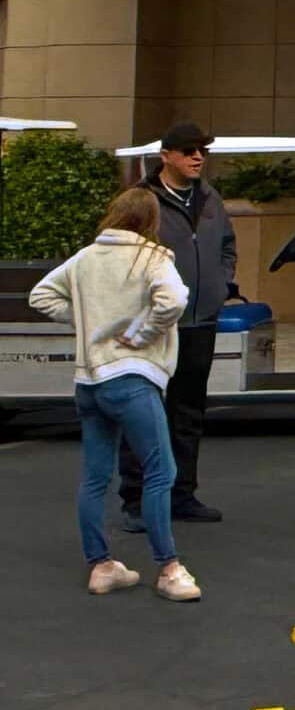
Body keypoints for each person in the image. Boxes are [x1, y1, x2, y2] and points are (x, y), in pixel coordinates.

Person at [30, 186, 203, 600]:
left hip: (88, 382)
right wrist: (140, 333)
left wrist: (90, 323)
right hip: (132, 377)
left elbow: (41, 295)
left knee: (94, 477)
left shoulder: (86, 257)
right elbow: (175, 300)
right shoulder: (153, 257)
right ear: (150, 222)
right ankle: (169, 569)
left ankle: (102, 566)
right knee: (161, 472)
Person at [119, 121, 237, 529]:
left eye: (202, 150)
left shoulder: (210, 199)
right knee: (144, 409)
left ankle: (181, 494)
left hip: (200, 321)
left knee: (188, 412)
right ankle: (136, 499)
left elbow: (226, 245)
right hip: (155, 324)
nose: (197, 157)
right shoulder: (142, 200)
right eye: (188, 151)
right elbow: (121, 255)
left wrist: (220, 286)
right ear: (165, 155)